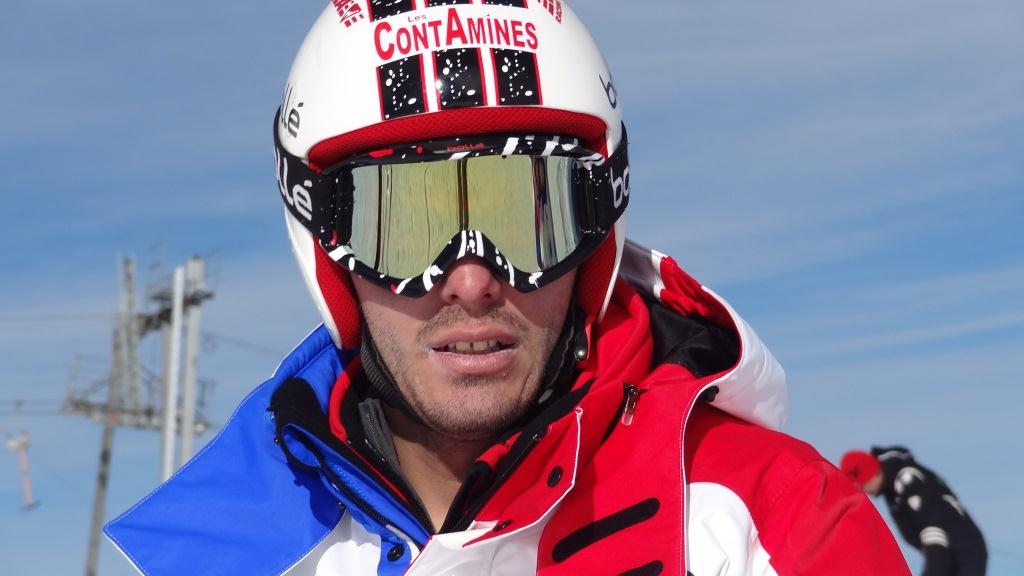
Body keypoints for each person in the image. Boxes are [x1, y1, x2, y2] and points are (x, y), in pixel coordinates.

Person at [105, 2, 909, 574]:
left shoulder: (770, 529)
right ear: (328, 249)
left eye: (528, 218)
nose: (471, 280)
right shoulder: (232, 548)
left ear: (596, 231)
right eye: (405, 226)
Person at [841, 446, 987, 576]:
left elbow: (933, 529)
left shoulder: (908, 480)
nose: (865, 491)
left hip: (962, 552)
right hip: (950, 552)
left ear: (873, 473)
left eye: (862, 485)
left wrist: (933, 571)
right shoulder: (892, 488)